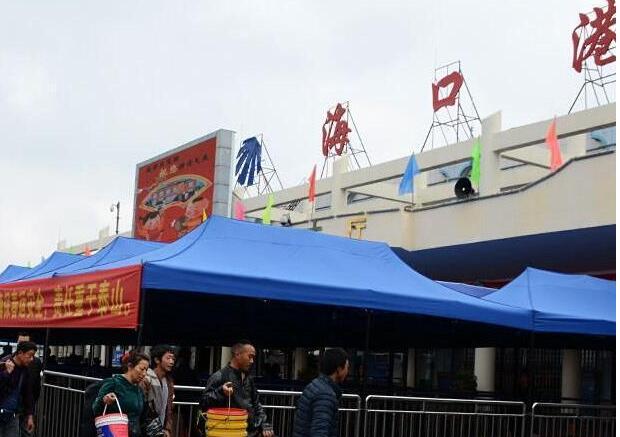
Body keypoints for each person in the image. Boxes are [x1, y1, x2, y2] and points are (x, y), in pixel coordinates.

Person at [200, 341, 273, 437]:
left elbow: (256, 404)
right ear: (237, 354)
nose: (252, 361)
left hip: (248, 432)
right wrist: (221, 392)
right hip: (227, 432)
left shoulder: (249, 379)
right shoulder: (219, 376)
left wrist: (264, 423)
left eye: (253, 358)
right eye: (250, 356)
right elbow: (204, 402)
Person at [292, 348, 349, 437]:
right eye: (346, 367)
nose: (347, 371)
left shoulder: (315, 384)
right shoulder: (325, 395)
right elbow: (319, 432)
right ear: (338, 369)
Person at [92, 351, 149, 437]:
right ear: (130, 366)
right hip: (114, 433)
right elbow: (95, 408)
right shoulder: (113, 383)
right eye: (141, 369)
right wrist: (104, 400)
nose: (144, 374)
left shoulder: (139, 390)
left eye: (146, 370)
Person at [0, 341, 37, 437]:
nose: (32, 359)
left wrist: (30, 416)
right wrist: (6, 373)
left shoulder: (26, 369)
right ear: (20, 353)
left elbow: (28, 393)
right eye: (30, 355)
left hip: (13, 413)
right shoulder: (4, 363)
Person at [141, 345, 175, 437]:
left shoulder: (168, 381)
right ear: (157, 360)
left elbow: (169, 408)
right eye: (168, 358)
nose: (171, 362)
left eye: (173, 359)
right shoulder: (147, 378)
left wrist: (167, 428)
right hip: (147, 429)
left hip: (161, 429)